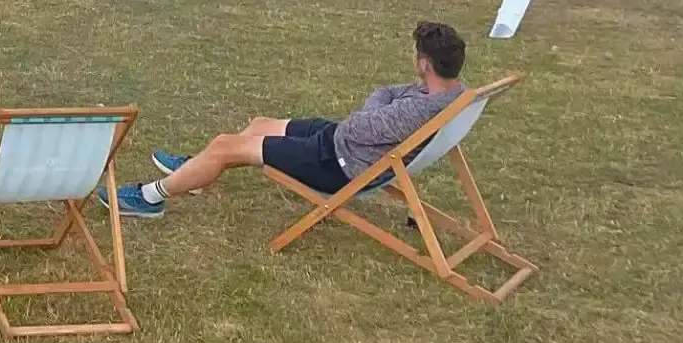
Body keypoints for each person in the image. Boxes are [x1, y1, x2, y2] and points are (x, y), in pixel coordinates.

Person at [105, 21, 469, 218]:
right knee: (260, 123)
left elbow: (362, 122)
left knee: (224, 145)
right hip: (344, 142)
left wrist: (373, 112)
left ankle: (149, 198)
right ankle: (198, 172)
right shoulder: (452, 92)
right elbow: (385, 91)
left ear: (424, 63)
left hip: (340, 163)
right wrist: (376, 109)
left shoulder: (415, 109)